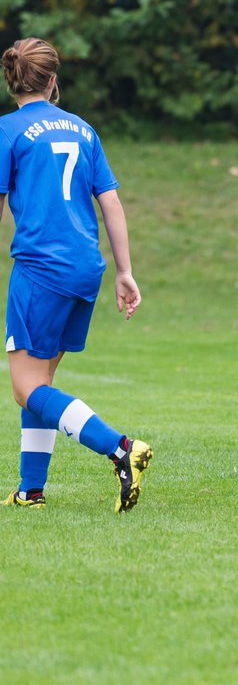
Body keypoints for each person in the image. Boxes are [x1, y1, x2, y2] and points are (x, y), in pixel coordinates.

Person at [0, 38, 152, 511]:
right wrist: (125, 271)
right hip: (85, 268)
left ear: (12, 83)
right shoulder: (84, 130)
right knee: (40, 379)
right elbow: (110, 202)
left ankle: (121, 447)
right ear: (52, 81)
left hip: (41, 268)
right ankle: (31, 490)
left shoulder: (7, 130)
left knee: (26, 387)